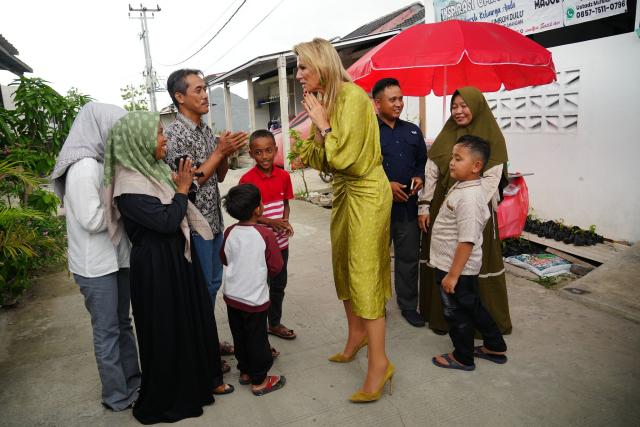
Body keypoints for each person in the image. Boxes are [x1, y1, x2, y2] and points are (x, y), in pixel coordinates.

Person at [103, 111, 234, 425]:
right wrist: (180, 189)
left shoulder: (153, 172)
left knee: (194, 317)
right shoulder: (128, 186)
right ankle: (177, 393)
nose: (164, 140)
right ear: (139, 141)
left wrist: (183, 186)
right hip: (156, 268)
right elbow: (165, 221)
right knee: (169, 328)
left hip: (177, 258)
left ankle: (204, 380)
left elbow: (183, 195)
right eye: (159, 134)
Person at [294, 38, 393, 403]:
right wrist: (315, 131)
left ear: (322, 65)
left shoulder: (351, 97)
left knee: (365, 271)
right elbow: (324, 160)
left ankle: (380, 362)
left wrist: (322, 124)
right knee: (344, 267)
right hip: (344, 192)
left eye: (303, 66)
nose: (298, 74)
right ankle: (356, 336)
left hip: (367, 192)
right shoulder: (330, 101)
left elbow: (346, 157)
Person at [50, 102, 140, 411]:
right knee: (108, 331)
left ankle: (134, 382)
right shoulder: (84, 166)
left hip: (116, 259)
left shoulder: (103, 162)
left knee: (123, 324)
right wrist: (128, 208)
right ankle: (117, 395)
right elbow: (91, 220)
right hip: (96, 266)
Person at [164, 69, 247, 360]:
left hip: (214, 220)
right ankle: (203, 347)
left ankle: (208, 339)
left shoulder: (205, 130)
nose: (204, 95)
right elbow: (191, 183)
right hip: (193, 224)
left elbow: (219, 177)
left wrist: (225, 152)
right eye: (197, 90)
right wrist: (218, 152)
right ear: (180, 97)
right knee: (201, 288)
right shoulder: (175, 135)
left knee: (212, 284)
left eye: (204, 89)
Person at [417, 86, 512, 335]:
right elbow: (432, 171)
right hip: (442, 207)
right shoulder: (447, 134)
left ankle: (480, 331)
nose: (458, 111)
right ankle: (441, 317)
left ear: (477, 105)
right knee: (441, 258)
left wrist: (471, 204)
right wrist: (425, 205)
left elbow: (492, 179)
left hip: (473, 207)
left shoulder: (492, 136)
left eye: (464, 105)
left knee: (468, 261)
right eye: (454, 106)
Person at [429, 135, 508, 371]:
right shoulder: (464, 186)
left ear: (476, 166)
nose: (451, 162)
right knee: (472, 306)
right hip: (457, 267)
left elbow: (467, 239)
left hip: (455, 268)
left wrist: (452, 275)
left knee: (457, 314)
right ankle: (494, 344)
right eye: (452, 157)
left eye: (458, 158)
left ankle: (463, 357)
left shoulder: (470, 198)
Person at [220, 183, 287, 396]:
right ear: (258, 209)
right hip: (254, 299)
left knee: (239, 335)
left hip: (232, 296)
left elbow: (224, 257)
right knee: (257, 339)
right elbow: (276, 267)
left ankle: (245, 371)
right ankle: (260, 380)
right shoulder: (265, 235)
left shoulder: (230, 231)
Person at [372, 78, 427, 327]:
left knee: (408, 259)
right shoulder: (368, 133)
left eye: (400, 99)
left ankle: (408, 305)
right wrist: (387, 186)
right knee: (375, 259)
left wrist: (419, 177)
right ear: (377, 103)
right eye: (392, 99)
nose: (398, 104)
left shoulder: (413, 131)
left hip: (407, 208)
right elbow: (362, 169)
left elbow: (422, 163)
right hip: (376, 209)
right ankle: (375, 306)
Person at [239, 129, 296, 340]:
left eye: (269, 151)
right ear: (251, 154)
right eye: (259, 152)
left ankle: (274, 323)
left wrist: (285, 221)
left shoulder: (284, 176)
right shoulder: (246, 180)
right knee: (259, 286)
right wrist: (270, 222)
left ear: (276, 150)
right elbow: (246, 215)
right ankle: (256, 330)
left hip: (280, 245)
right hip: (257, 246)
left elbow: (286, 204)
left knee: (278, 285)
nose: (264, 156)